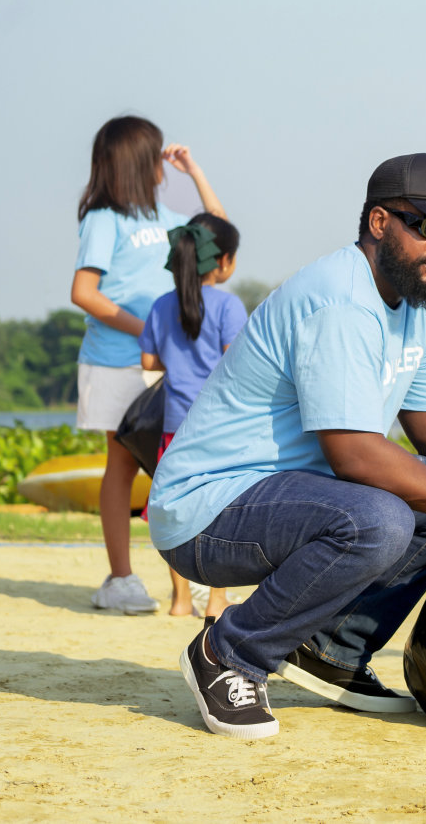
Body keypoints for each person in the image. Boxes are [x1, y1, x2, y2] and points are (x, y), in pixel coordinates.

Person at [148, 153, 426, 739]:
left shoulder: (422, 300)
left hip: (291, 495)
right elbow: (355, 455)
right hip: (208, 508)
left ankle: (333, 649)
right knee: (384, 519)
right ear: (379, 222)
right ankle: (228, 652)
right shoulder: (340, 299)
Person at [71, 114, 225, 615]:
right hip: (115, 362)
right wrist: (150, 330)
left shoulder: (164, 218)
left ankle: (190, 581)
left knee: (175, 464)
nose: (163, 164)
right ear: (138, 162)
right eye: (156, 154)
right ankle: (121, 579)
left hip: (165, 365)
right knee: (121, 464)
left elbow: (221, 235)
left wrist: (196, 173)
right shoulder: (103, 219)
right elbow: (84, 292)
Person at [138, 213, 246, 619]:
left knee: (175, 508)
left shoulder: (160, 305)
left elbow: (148, 360)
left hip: (173, 426)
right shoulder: (228, 305)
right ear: (221, 261)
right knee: (219, 509)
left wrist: (178, 361)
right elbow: (237, 364)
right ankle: (216, 599)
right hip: (217, 427)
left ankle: (180, 599)